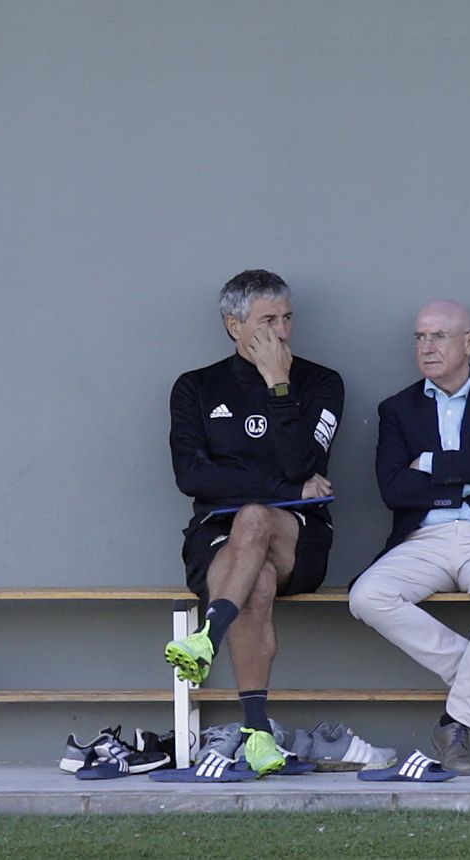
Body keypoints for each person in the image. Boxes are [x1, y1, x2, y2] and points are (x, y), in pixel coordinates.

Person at [349, 301, 470, 775]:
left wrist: (432, 464)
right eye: (419, 337)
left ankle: (455, 721)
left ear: (469, 342)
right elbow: (394, 489)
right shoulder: (397, 409)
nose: (427, 347)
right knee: (366, 596)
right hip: (424, 538)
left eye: (438, 336)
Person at [165, 269, 345, 776]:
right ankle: (258, 733)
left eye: (287, 318)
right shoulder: (196, 387)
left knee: (257, 517)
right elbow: (191, 475)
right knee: (254, 573)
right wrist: (287, 488)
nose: (282, 332)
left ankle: (208, 634)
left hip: (300, 538)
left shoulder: (322, 382)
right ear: (233, 326)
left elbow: (299, 461)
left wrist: (277, 385)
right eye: (268, 320)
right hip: (218, 536)